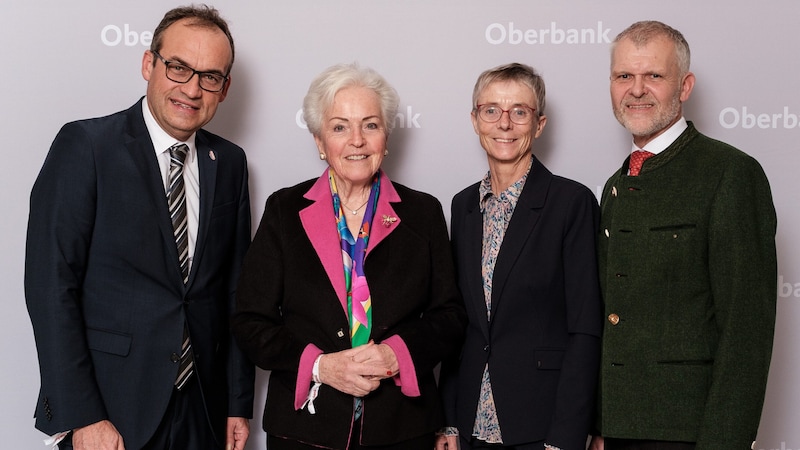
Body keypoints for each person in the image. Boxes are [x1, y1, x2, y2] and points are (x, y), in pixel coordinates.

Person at [25, 5, 254, 450]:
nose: (192, 88)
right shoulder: (87, 146)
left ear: (224, 89)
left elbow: (234, 293)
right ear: (149, 64)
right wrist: (82, 415)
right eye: (178, 68)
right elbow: (50, 286)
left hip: (202, 408)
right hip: (111, 410)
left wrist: (236, 403)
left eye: (209, 76)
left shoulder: (229, 162)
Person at [231, 62, 467, 450]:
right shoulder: (284, 209)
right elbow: (250, 321)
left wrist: (396, 354)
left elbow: (450, 316)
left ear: (386, 137)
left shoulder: (423, 212)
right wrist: (322, 367)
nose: (356, 140)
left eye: (370, 125)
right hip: (304, 430)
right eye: (340, 127)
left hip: (403, 429)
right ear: (320, 142)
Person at [589, 21, 777, 450]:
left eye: (654, 75)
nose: (636, 90)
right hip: (620, 431)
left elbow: (746, 332)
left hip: (690, 433)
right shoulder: (614, 185)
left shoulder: (730, 173)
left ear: (685, 86)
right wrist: (602, 425)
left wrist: (724, 442)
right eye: (624, 77)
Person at [437, 63, 602, 450]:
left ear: (539, 124)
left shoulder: (571, 202)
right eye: (491, 110)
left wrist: (567, 435)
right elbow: (457, 322)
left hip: (540, 423)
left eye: (519, 112)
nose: (504, 124)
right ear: (475, 120)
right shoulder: (464, 205)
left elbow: (586, 328)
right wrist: (447, 421)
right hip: (470, 420)